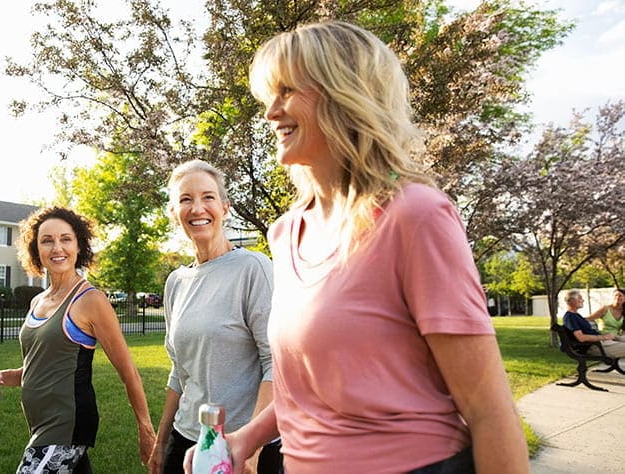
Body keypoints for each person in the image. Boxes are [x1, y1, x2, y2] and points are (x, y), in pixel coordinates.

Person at [186, 21, 529, 473]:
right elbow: (303, 393)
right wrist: (244, 439)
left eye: (287, 90)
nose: (271, 112)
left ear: (342, 94)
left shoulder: (415, 215)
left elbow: (489, 412)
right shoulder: (285, 233)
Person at [0, 206, 155, 473]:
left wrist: (146, 430)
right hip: (40, 425)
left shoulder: (91, 300)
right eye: (47, 240)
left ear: (79, 245)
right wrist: (1, 376)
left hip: (66, 425)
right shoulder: (38, 301)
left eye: (65, 239)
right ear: (37, 250)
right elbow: (45, 368)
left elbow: (129, 373)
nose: (57, 248)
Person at [148, 159, 281, 474]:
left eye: (208, 197)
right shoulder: (175, 282)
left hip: (240, 444)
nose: (197, 208)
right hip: (186, 440)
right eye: (185, 199)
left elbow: (276, 365)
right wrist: (162, 440)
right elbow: (179, 371)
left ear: (225, 207)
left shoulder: (255, 269)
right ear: (174, 213)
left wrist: (252, 449)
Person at [563, 289, 625, 358]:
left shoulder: (575, 315)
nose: (583, 300)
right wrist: (604, 337)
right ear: (572, 301)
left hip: (601, 343)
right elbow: (581, 338)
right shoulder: (570, 317)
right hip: (595, 347)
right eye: (580, 298)